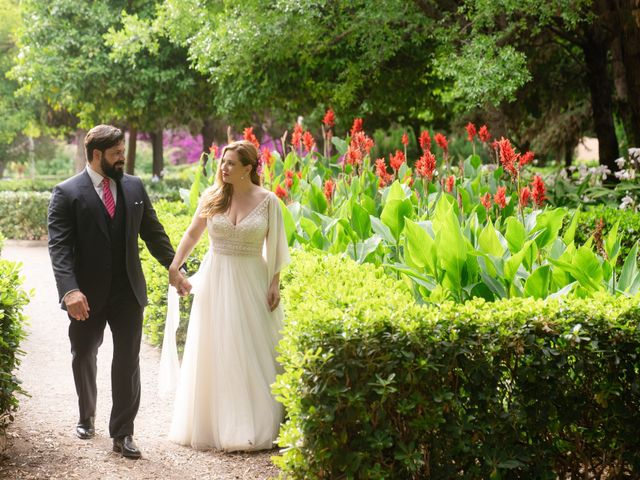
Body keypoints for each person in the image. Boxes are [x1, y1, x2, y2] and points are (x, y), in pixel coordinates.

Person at [48, 124, 176, 459]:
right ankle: (86, 415)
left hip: (128, 291)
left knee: (127, 361)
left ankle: (123, 432)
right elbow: (59, 248)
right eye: (117, 154)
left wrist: (176, 268)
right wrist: (69, 291)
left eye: (123, 152)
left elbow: (154, 232)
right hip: (85, 295)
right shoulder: (67, 192)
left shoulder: (133, 185)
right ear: (96, 155)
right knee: (84, 354)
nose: (123, 158)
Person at [161, 139, 290, 451]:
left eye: (232, 163)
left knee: (251, 349)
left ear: (248, 168)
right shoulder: (212, 197)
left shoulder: (268, 201)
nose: (224, 167)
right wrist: (175, 266)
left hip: (251, 279)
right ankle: (215, 422)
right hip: (216, 278)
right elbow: (193, 233)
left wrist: (274, 282)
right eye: (223, 162)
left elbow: (277, 245)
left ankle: (255, 423)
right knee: (218, 349)